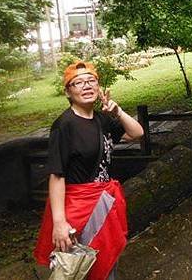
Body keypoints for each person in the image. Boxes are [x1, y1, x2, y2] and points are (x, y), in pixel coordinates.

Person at [34, 61, 144, 280]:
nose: (86, 86)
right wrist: (59, 222)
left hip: (103, 201)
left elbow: (137, 133)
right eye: (78, 83)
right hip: (78, 208)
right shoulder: (64, 125)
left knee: (105, 260)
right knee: (81, 266)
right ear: (68, 91)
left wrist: (117, 111)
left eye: (91, 80)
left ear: (98, 86)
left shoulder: (102, 120)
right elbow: (56, 175)